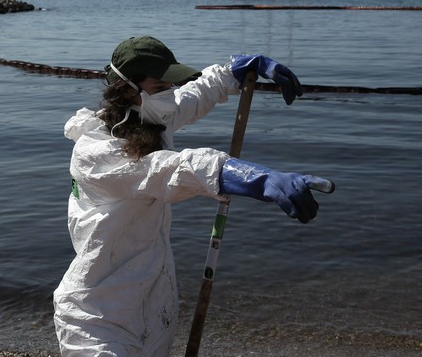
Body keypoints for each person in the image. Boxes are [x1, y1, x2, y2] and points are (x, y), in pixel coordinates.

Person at [53, 36, 333, 356]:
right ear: (129, 89)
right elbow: (174, 170)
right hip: (97, 321)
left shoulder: (147, 118)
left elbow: (193, 95)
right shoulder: (97, 151)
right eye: (160, 88)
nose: (169, 95)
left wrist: (235, 72)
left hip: (151, 309)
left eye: (169, 86)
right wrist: (256, 178)